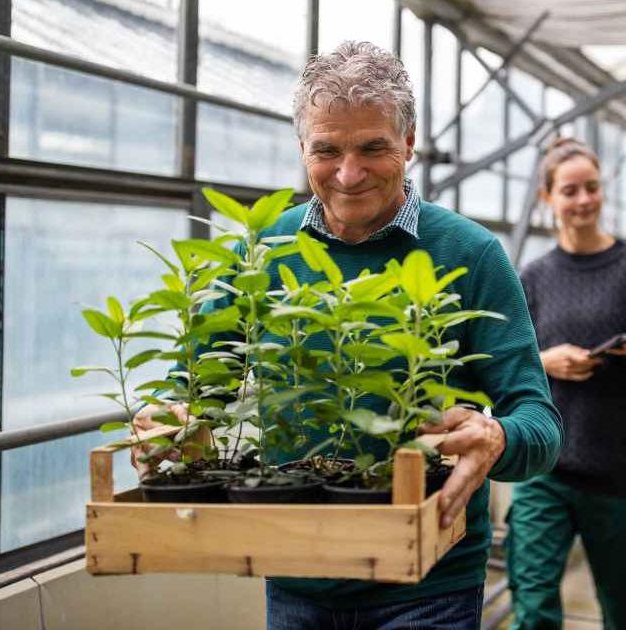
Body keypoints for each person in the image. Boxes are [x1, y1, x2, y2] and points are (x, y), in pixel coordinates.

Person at [132, 41, 562, 629]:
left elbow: (540, 425)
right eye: (326, 150)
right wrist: (173, 420)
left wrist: (496, 437)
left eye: (373, 148)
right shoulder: (264, 252)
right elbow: (198, 387)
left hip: (427, 582)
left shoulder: (470, 253)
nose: (349, 173)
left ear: (409, 143)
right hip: (295, 574)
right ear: (302, 149)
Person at [506, 137, 626, 630]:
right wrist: (546, 362)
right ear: (548, 198)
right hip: (546, 470)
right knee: (534, 607)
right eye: (570, 190)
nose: (583, 200)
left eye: (592, 188)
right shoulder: (532, 277)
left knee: (623, 613)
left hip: (623, 470)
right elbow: (509, 366)